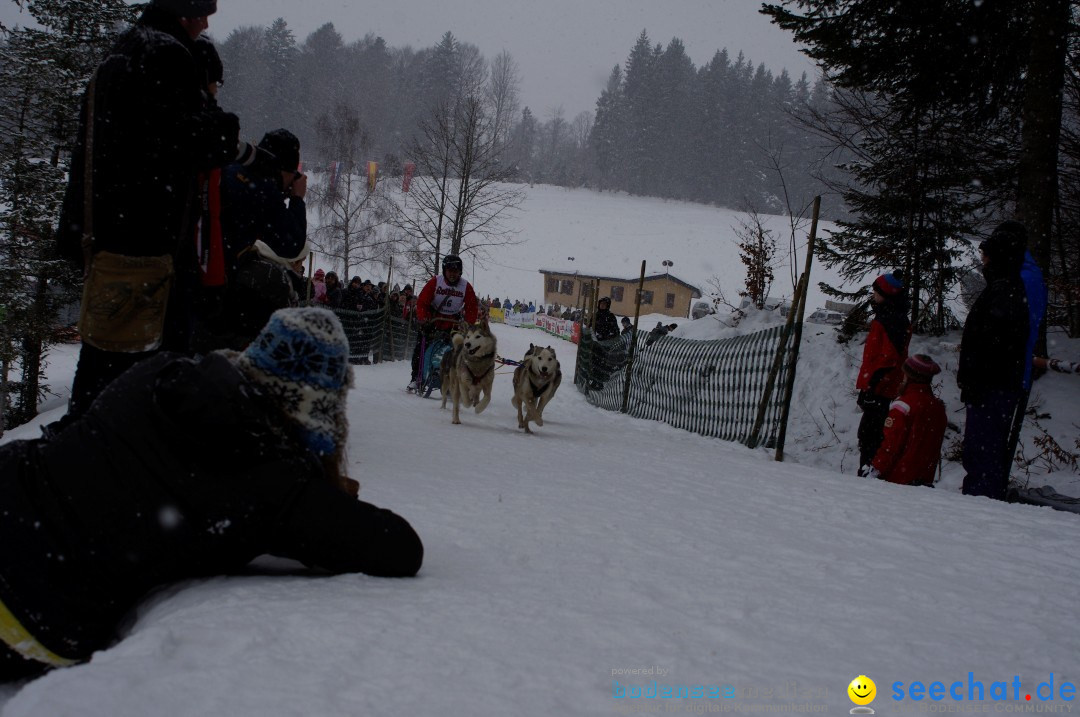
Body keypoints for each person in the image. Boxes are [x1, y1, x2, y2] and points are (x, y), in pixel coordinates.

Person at [0, 308, 422, 680]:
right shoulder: (269, 483)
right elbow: (399, 547)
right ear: (319, 406)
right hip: (31, 608)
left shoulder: (161, 372)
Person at [57, 0, 252, 419]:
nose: (205, 22)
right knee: (140, 381)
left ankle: (89, 459)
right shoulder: (165, 56)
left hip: (112, 237)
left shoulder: (125, 50)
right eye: (201, 11)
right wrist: (221, 120)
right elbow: (198, 142)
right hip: (145, 245)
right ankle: (115, 466)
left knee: (103, 368)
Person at [958, 221, 1030, 500]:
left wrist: (976, 377)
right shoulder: (1004, 288)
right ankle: (980, 500)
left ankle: (982, 507)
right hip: (991, 385)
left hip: (992, 387)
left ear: (998, 257)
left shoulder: (1006, 292)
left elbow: (992, 343)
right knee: (981, 451)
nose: (983, 262)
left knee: (983, 451)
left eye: (986, 256)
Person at [855, 271, 911, 471]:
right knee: (869, 433)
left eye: (876, 292)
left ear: (886, 294)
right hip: (879, 385)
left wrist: (872, 386)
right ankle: (868, 469)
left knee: (871, 434)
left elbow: (889, 359)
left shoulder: (890, 320)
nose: (873, 296)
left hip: (880, 387)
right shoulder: (888, 317)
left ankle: (870, 472)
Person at [863, 354, 947, 487]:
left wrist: (875, 469)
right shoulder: (937, 408)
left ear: (909, 376)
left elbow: (891, 445)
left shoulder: (903, 406)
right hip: (924, 482)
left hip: (898, 482)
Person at [409, 255, 478, 390]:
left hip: (453, 323)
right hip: (433, 320)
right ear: (444, 271)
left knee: (457, 351)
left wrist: (467, 324)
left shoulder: (465, 286)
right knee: (420, 348)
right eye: (449, 271)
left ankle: (453, 380)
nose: (452, 274)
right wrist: (423, 319)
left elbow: (472, 307)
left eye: (455, 271)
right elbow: (422, 302)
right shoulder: (435, 282)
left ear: (460, 272)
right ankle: (416, 377)